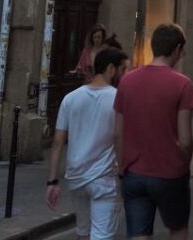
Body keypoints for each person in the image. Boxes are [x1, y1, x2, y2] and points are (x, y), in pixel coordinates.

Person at [114, 23, 193, 240]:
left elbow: (118, 132)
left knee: (139, 234)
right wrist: (185, 163)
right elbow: (186, 140)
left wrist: (122, 167)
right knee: (177, 229)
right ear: (177, 49)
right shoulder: (183, 84)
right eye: (183, 50)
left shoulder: (127, 81)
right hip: (170, 172)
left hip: (134, 173)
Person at [46, 47, 129, 240]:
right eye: (122, 69)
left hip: (76, 177)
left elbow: (58, 142)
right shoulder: (117, 98)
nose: (124, 75)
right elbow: (118, 137)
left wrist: (52, 181)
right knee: (102, 235)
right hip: (104, 178)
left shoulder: (70, 99)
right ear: (110, 69)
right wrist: (122, 173)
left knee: (83, 232)